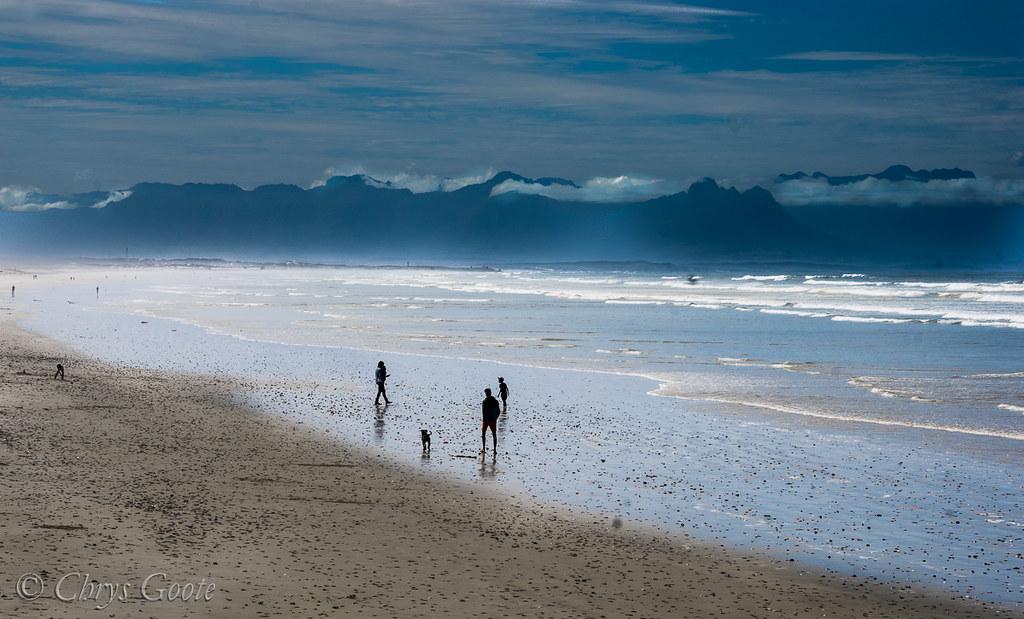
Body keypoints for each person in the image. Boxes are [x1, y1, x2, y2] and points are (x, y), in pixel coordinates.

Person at [481, 388, 500, 455]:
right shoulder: (495, 401)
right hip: (492, 420)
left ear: (487, 393)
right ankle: (494, 450)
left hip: (486, 420)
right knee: (494, 435)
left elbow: (483, 412)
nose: (486, 394)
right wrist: (495, 418)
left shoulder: (485, 401)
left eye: (486, 393)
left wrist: (484, 420)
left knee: (484, 434)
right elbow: (498, 411)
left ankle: (484, 448)